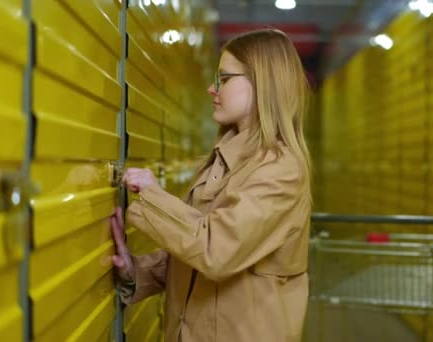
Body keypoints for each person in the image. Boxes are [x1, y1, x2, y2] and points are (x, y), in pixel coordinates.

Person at [110, 28, 312, 342]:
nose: (211, 88)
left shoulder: (280, 169)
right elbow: (195, 250)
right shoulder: (225, 159)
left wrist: (151, 195)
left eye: (224, 78)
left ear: (261, 82)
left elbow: (216, 251)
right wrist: (137, 271)